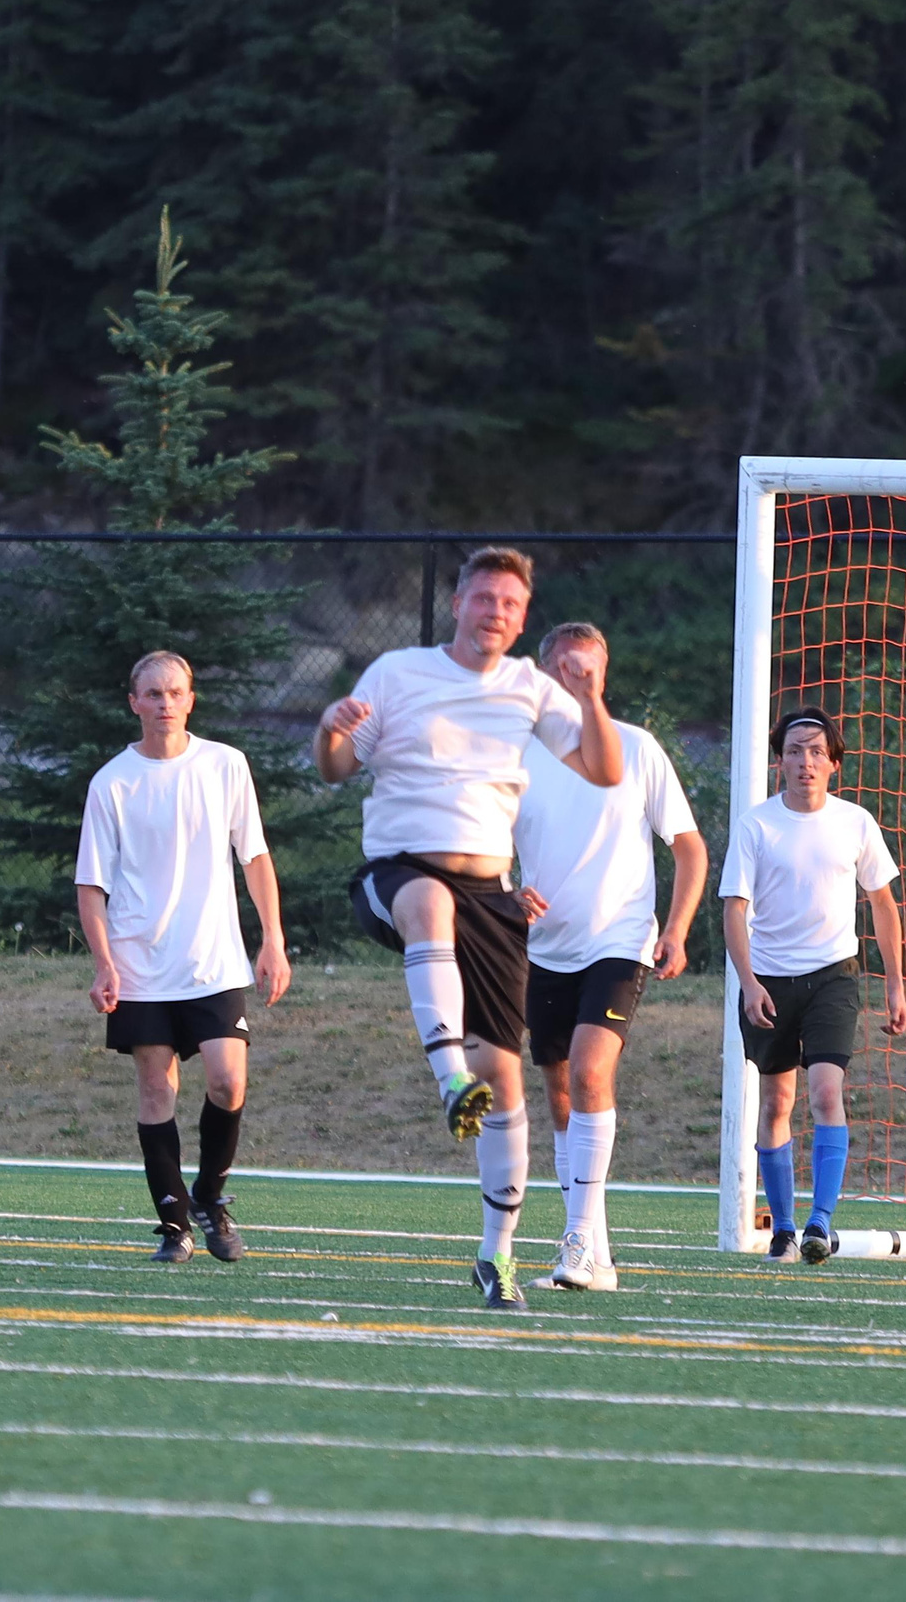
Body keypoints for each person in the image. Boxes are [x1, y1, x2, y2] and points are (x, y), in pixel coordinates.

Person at [314, 547, 623, 1313]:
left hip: (492, 895)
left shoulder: (530, 686)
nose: (496, 612)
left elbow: (605, 771)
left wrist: (591, 697)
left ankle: (498, 1257)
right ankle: (448, 1076)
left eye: (511, 604)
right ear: (457, 602)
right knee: (429, 905)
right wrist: (329, 726)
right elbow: (335, 767)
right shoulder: (397, 671)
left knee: (508, 1077)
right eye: (484, 598)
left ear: (523, 616)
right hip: (400, 871)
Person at [75, 651, 290, 1265]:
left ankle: (209, 1195)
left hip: (213, 963)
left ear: (191, 699)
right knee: (155, 1088)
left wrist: (271, 937)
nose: (165, 703)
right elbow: (91, 886)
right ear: (134, 702)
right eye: (153, 693)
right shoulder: (112, 781)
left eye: (176, 692)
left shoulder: (226, 765)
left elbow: (254, 857)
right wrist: (104, 963)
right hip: (140, 965)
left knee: (227, 1080)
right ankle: (174, 1225)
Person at [512, 622, 707, 1293]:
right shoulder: (516, 753)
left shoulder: (637, 749)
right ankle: (593, 1242)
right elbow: (474, 849)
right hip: (543, 949)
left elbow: (689, 847)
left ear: (604, 673)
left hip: (619, 940)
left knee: (594, 1071)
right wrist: (504, 892)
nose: (578, 681)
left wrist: (676, 930)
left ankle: (575, 1243)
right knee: (562, 1092)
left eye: (589, 671)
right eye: (566, 671)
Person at [720, 707, 906, 1267]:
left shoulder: (856, 822)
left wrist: (896, 987)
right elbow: (734, 909)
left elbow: (883, 904)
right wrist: (749, 982)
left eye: (817, 752)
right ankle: (781, 1226)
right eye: (796, 750)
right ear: (779, 760)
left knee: (827, 1092)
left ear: (834, 764)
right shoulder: (756, 825)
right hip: (771, 982)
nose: (806, 761)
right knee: (777, 1101)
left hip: (834, 976)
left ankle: (820, 1224)